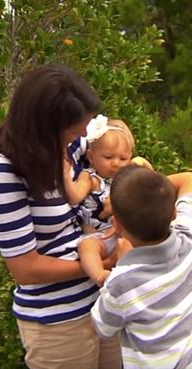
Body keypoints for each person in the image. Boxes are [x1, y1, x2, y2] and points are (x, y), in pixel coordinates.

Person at [0, 64, 121, 369]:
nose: (83, 135)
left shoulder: (69, 146)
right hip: (59, 322)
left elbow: (114, 138)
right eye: (74, 130)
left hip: (102, 306)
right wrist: (99, 266)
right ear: (44, 127)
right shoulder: (2, 170)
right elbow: (25, 268)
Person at [91, 165, 192, 369]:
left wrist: (122, 263)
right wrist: (149, 194)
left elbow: (103, 326)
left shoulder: (122, 283)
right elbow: (189, 179)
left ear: (116, 224)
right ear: (174, 212)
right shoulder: (190, 237)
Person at [63, 114, 150, 286]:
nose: (116, 163)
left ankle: (133, 281)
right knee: (87, 247)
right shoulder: (90, 178)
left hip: (124, 234)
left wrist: (140, 163)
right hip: (99, 236)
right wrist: (65, 175)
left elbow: (152, 183)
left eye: (123, 158)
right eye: (108, 158)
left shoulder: (127, 177)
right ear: (91, 156)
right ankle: (99, 275)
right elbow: (75, 196)